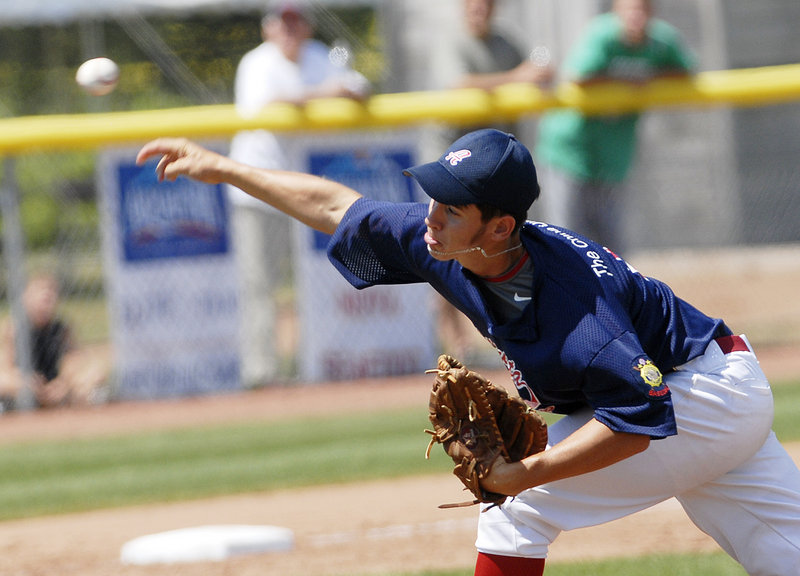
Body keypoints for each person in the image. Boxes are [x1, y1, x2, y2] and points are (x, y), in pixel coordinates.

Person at [136, 129, 800, 575]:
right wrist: (222, 167)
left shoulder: (580, 313)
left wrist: (529, 473)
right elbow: (337, 205)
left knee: (515, 509)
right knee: (784, 552)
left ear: (500, 227)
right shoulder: (448, 244)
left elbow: (638, 423)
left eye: (451, 209)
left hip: (696, 397)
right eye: (433, 199)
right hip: (720, 385)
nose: (431, 217)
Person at [227, 0, 370, 387]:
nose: (289, 28)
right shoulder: (256, 63)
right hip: (256, 189)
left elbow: (359, 85)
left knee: (316, 281)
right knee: (260, 285)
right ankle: (262, 373)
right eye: (282, 21)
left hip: (304, 192)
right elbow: (272, 103)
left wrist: (344, 87)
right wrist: (329, 91)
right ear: (268, 28)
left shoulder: (318, 56)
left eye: (296, 20)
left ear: (307, 26)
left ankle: (318, 364)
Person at [429, 0, 553, 362]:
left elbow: (535, 77)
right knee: (444, 251)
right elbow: (461, 86)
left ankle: (519, 333)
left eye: (484, 4)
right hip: (455, 166)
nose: (478, 10)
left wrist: (539, 74)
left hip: (496, 170)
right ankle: (457, 346)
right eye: (472, 5)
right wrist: (520, 76)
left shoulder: (505, 43)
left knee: (515, 246)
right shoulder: (451, 42)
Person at [535, 0, 695, 251]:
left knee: (611, 246)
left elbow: (687, 73)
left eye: (642, 9)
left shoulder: (660, 41)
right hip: (572, 151)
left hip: (612, 155)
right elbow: (578, 77)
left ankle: (611, 291)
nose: (636, 16)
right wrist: (626, 80)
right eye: (630, 8)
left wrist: (649, 78)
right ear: (617, 10)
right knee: (567, 240)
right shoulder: (602, 35)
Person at [0, 273, 109, 410]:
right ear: (26, 297)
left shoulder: (61, 328)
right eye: (40, 295)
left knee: (95, 373)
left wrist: (63, 384)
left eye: (50, 296)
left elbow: (75, 360)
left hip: (56, 386)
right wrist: (25, 382)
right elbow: (5, 368)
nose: (46, 301)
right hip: (26, 386)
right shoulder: (14, 328)